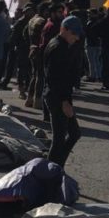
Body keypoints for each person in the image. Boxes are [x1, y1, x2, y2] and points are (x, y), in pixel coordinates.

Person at [43, 16, 84, 167]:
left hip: (59, 95)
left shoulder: (62, 44)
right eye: (74, 33)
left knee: (73, 134)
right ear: (64, 30)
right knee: (60, 139)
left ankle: (56, 167)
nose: (76, 37)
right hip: (58, 97)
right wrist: (64, 101)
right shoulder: (58, 48)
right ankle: (50, 171)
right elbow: (55, 78)